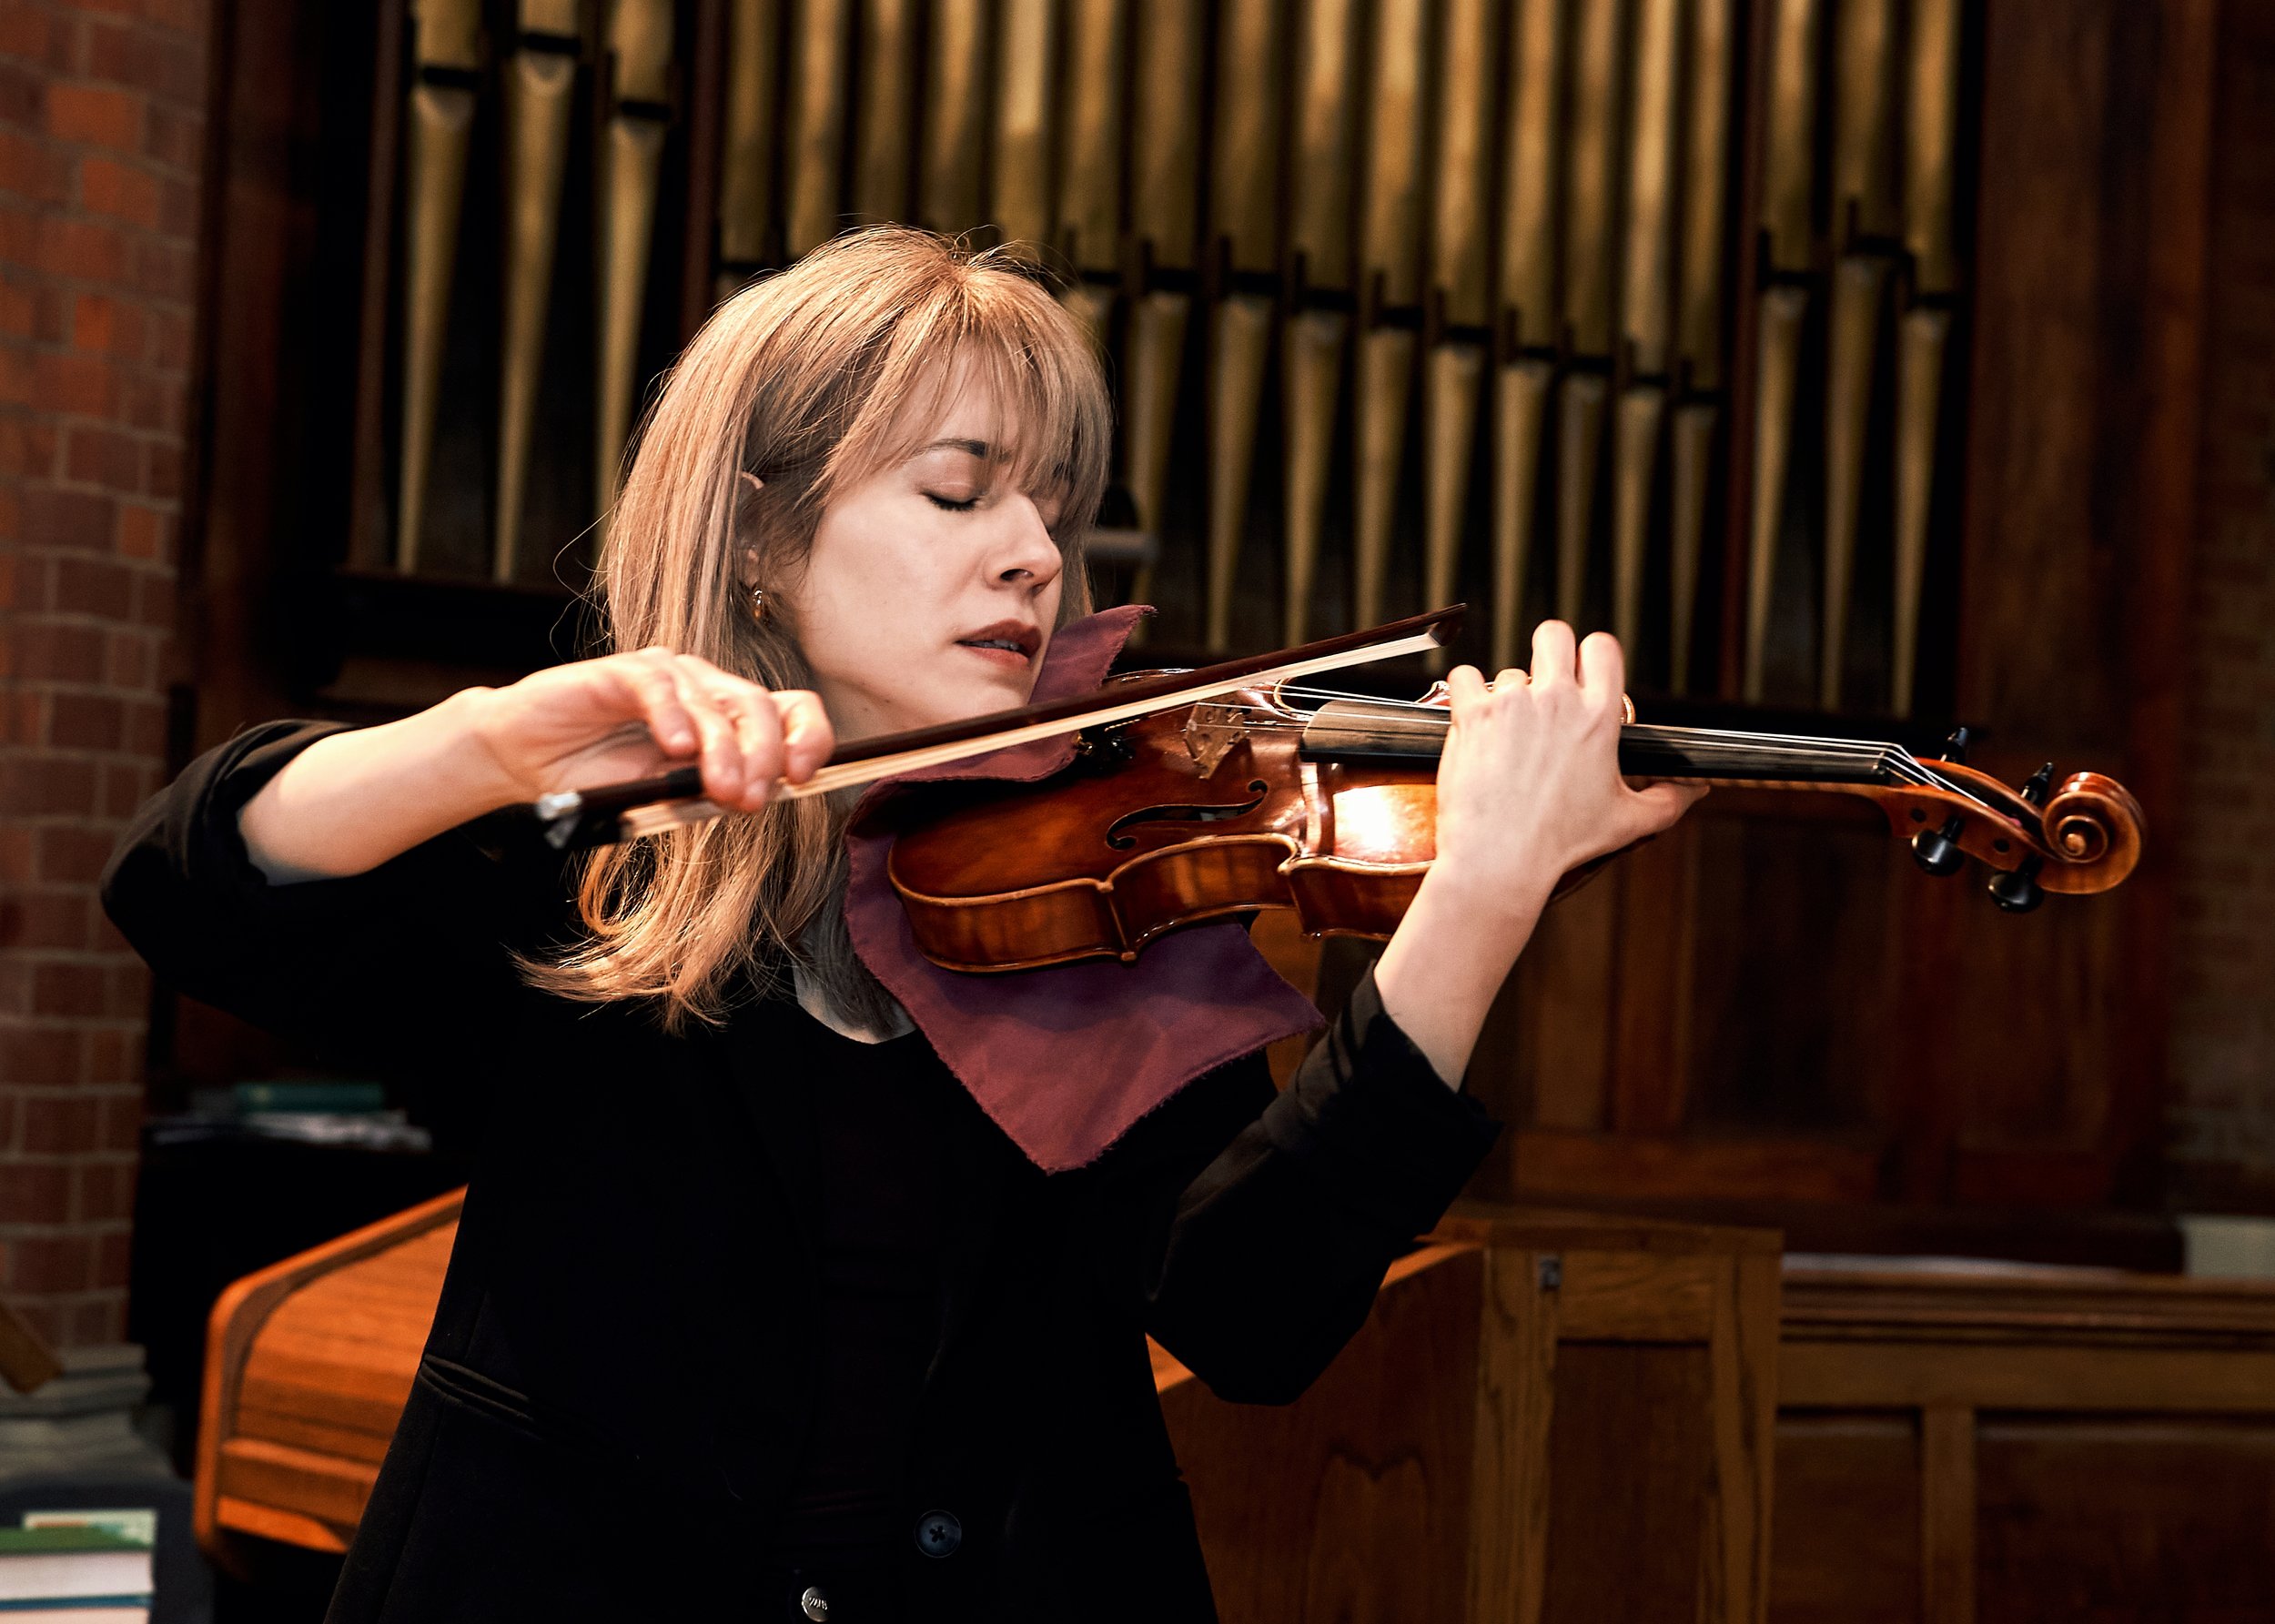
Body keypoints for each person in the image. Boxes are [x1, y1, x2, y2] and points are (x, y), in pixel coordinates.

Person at [103, 228, 1701, 1623]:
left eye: (1056, 508)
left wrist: (1479, 899)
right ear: (759, 539)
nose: (1036, 553)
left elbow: (1253, 1313)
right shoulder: (592, 867)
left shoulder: (1089, 889)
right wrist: (484, 744)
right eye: (959, 489)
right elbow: (186, 888)